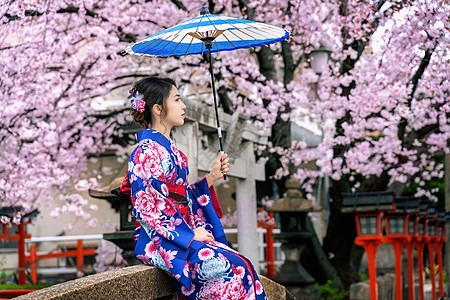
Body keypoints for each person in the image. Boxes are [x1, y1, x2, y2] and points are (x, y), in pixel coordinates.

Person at [122, 76, 267, 300]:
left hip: (181, 234)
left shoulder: (174, 152)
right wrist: (189, 235)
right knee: (232, 269)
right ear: (158, 108)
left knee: (244, 265)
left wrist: (211, 177)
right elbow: (149, 207)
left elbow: (181, 195)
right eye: (177, 99)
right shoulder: (145, 151)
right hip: (163, 240)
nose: (183, 106)